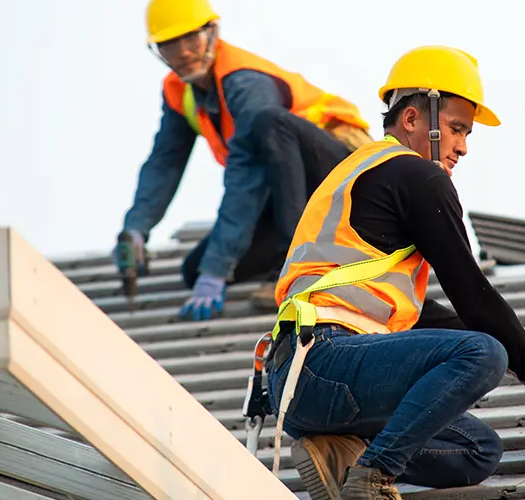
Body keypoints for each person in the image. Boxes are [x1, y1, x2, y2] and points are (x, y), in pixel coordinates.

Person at [262, 46, 525, 500]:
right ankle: (372, 479)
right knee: (484, 354)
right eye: (455, 129)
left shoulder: (360, 170)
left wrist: (517, 347)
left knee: (476, 449)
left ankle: (342, 450)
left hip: (298, 383)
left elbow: (428, 314)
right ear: (413, 119)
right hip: (326, 357)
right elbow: (472, 291)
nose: (463, 147)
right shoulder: (418, 176)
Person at [113, 0, 374, 320]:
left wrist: (218, 268)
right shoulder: (181, 91)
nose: (182, 53)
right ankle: (309, 255)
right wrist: (136, 228)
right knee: (195, 270)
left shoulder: (245, 82)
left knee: (269, 124)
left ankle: (294, 269)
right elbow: (165, 163)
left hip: (347, 184)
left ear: (212, 33)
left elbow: (246, 177)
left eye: (190, 39)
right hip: (294, 198)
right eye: (169, 46)